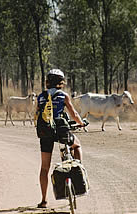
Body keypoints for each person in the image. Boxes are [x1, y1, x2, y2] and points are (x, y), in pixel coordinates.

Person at [36, 69, 85, 208]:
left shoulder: (41, 97)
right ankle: (78, 170)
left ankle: (44, 200)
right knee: (77, 145)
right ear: (61, 82)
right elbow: (73, 113)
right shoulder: (63, 96)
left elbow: (38, 113)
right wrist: (81, 123)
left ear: (47, 82)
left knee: (44, 168)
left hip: (45, 132)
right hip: (61, 131)